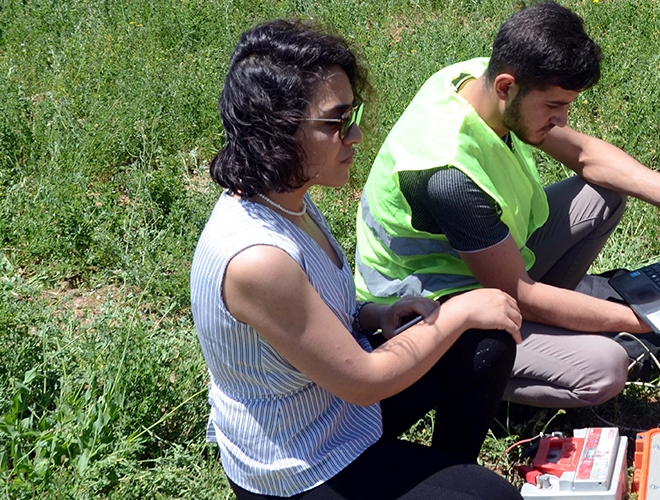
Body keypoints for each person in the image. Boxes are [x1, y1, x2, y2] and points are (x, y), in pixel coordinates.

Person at [190, 19, 524, 500]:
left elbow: (317, 319)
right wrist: (457, 310)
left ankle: (446, 473)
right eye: (336, 122)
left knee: (485, 340)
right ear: (275, 130)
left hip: (337, 408)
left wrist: (376, 314)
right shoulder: (256, 259)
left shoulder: (288, 197)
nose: (357, 134)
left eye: (355, 113)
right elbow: (364, 383)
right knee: (498, 498)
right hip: (300, 461)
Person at [354, 2, 660, 409]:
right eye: (554, 106)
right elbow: (523, 293)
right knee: (605, 367)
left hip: (488, 262)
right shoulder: (448, 175)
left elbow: (587, 156)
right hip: (431, 306)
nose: (563, 120)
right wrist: (646, 318)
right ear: (505, 86)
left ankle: (552, 332)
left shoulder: (478, 82)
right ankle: (485, 376)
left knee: (600, 195)